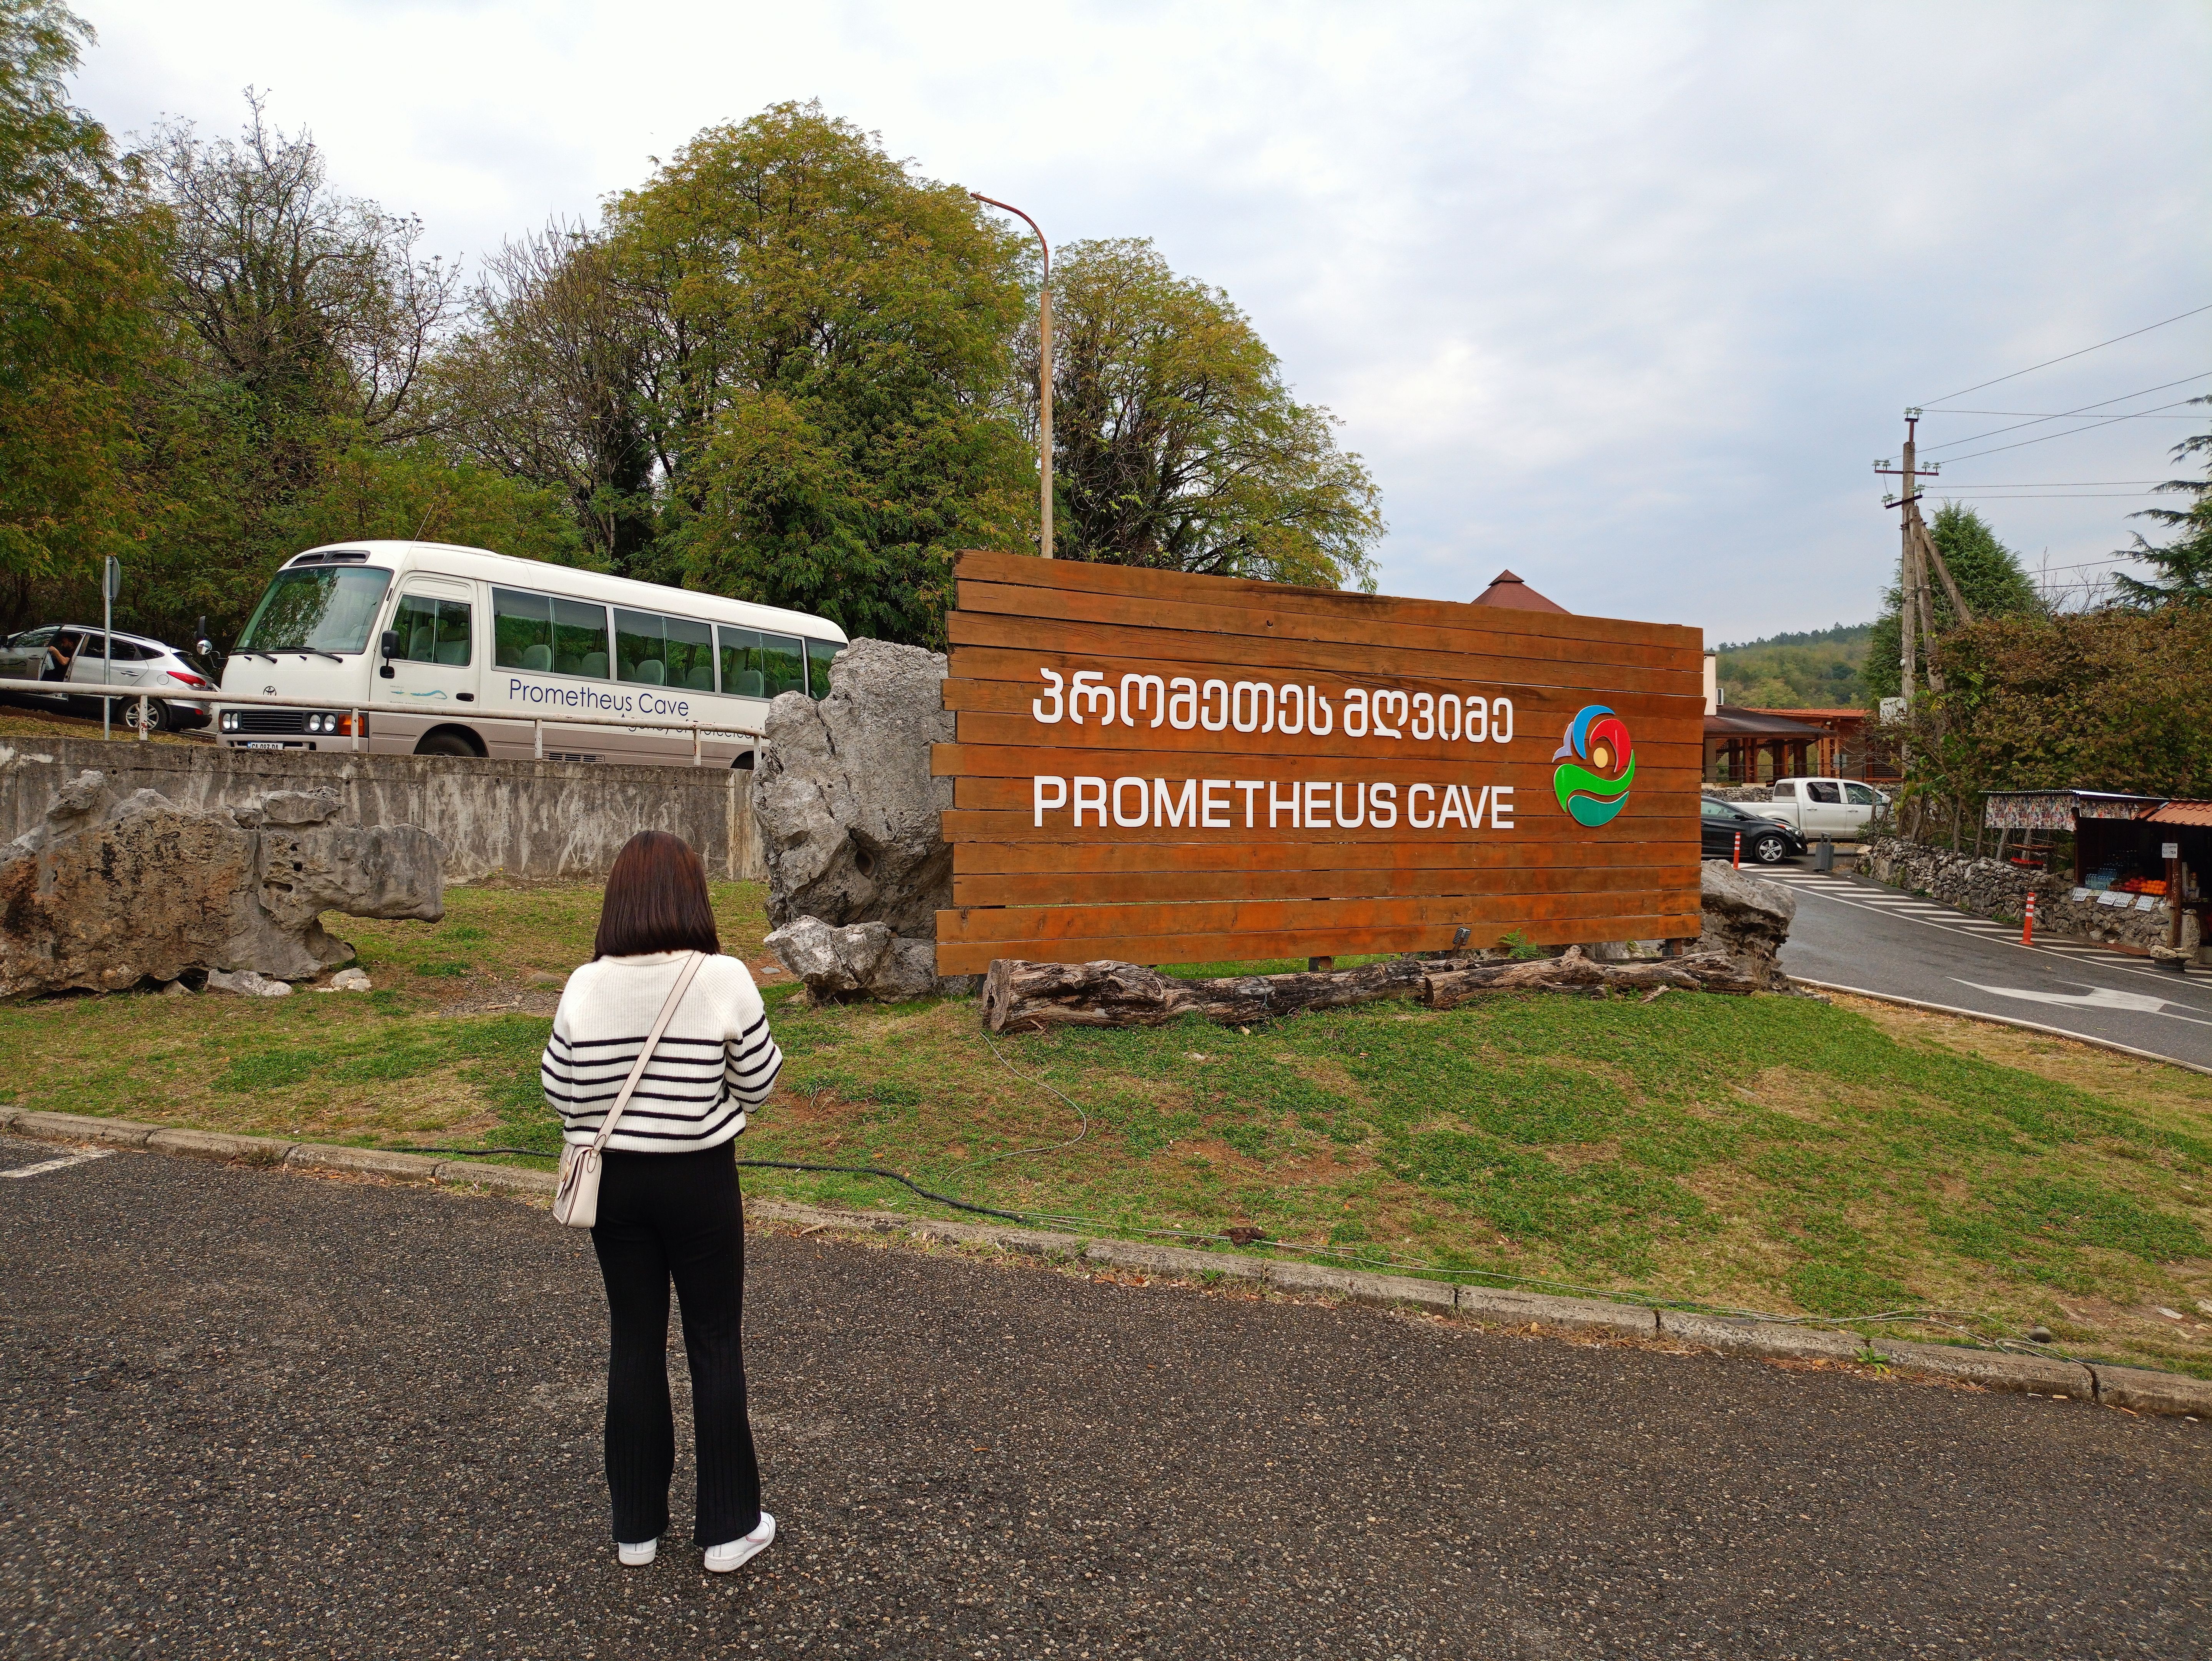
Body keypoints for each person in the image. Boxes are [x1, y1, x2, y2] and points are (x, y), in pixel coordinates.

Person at [541, 830, 784, 1572]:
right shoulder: (724, 976)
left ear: (617, 898)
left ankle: (636, 1529)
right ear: (692, 895)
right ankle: (727, 1529)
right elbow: (759, 1083)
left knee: (635, 1340)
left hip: (616, 1184)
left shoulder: (586, 983)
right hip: (700, 1177)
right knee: (713, 1342)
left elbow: (559, 1090)